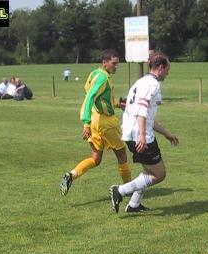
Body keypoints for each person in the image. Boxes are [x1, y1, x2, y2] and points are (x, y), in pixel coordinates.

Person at [109, 53, 179, 213]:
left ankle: (134, 205)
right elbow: (141, 109)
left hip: (131, 132)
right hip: (140, 135)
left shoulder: (141, 82)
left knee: (148, 171)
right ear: (161, 68)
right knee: (159, 174)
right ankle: (119, 191)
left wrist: (166, 133)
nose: (168, 72)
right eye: (168, 69)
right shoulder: (152, 85)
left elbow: (145, 115)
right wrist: (141, 135)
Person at [60, 49, 131, 196]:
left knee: (95, 158)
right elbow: (90, 97)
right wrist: (85, 123)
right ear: (104, 62)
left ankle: (71, 175)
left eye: (117, 64)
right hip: (106, 123)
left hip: (95, 120)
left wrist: (117, 104)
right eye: (113, 63)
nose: (116, 66)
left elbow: (99, 98)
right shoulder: (103, 78)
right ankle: (128, 189)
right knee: (122, 155)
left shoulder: (94, 73)